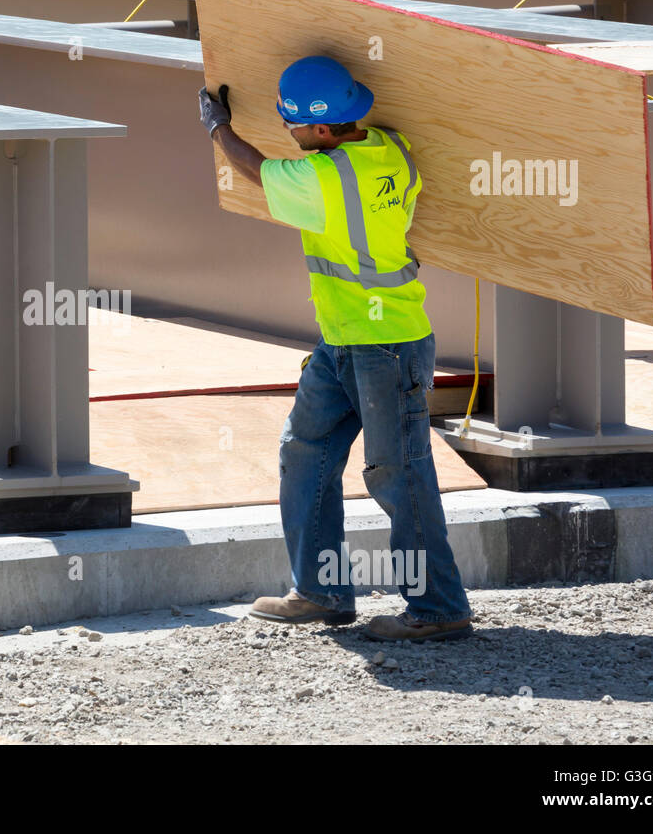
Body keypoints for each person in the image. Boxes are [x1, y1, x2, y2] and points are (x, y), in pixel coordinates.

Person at [198, 56, 472, 642]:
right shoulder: (390, 148)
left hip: (384, 345)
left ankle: (439, 607)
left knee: (399, 474)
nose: (290, 134)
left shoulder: (322, 179)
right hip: (345, 340)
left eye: (295, 124)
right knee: (305, 452)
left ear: (322, 129)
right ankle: (320, 592)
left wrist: (218, 128)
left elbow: (260, 172)